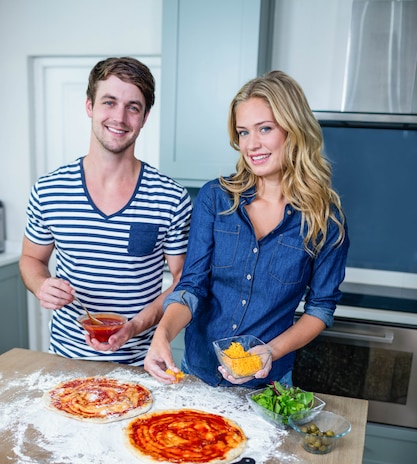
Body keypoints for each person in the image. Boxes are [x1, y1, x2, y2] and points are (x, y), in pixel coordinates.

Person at [144, 70, 349, 386]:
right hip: (197, 373)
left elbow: (319, 310)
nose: (252, 145)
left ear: (293, 130)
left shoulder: (325, 220)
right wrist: (162, 333)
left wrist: (270, 351)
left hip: (267, 385)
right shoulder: (216, 198)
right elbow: (191, 285)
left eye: (264, 129)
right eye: (243, 133)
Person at [20, 57, 192, 365]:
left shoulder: (171, 198)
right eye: (109, 102)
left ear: (145, 116)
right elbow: (32, 259)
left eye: (133, 107)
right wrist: (41, 285)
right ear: (89, 106)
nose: (120, 117)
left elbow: (183, 280)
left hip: (140, 364)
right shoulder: (49, 190)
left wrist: (136, 326)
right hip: (65, 360)